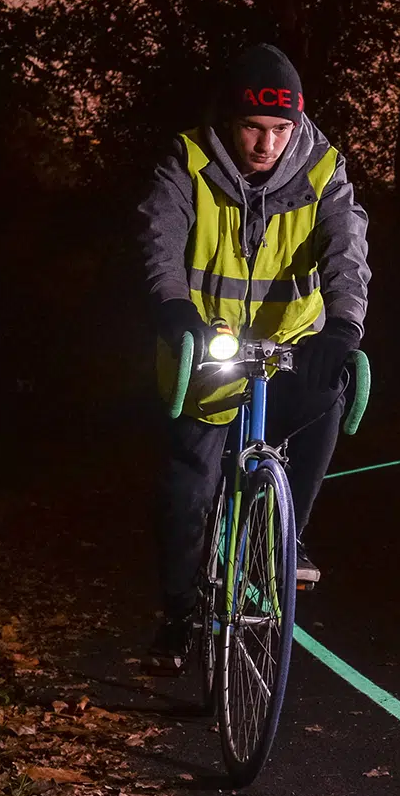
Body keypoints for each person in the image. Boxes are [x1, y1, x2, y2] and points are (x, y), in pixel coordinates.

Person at [136, 43, 371, 673]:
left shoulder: (323, 170)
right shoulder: (187, 160)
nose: (267, 145)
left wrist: (343, 328)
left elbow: (347, 250)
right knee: (187, 491)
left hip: (290, 350)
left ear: (296, 126)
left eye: (280, 130)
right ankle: (179, 615)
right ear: (227, 121)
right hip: (205, 351)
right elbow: (161, 238)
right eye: (251, 128)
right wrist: (174, 308)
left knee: (330, 395)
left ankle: (289, 537)